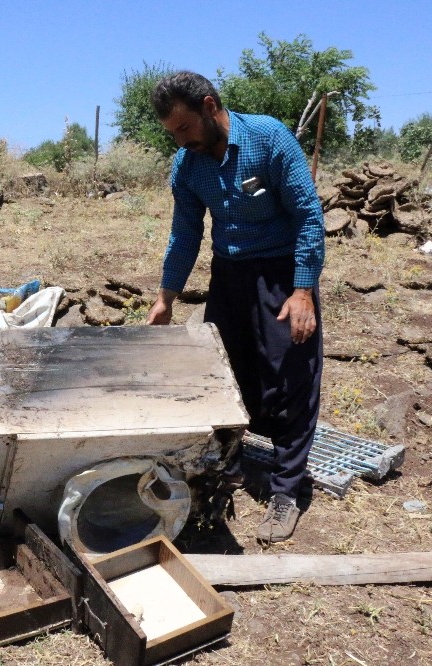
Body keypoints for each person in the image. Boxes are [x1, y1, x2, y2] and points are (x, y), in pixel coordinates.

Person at [145, 71, 325, 544]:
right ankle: (230, 468)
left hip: (282, 275)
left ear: (209, 106)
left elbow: (309, 216)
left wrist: (303, 291)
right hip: (228, 276)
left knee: (291, 376)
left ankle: (287, 491)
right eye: (172, 133)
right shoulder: (188, 164)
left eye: (185, 128)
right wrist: (166, 297)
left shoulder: (268, 139)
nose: (181, 140)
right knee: (228, 374)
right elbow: (185, 233)